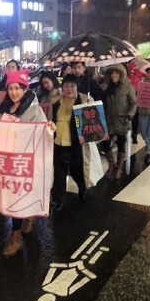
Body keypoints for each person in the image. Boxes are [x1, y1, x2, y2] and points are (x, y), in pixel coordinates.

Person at [0, 69, 56, 257]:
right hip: (9, 159)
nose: (14, 92)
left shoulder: (34, 110)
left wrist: (49, 129)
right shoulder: (7, 107)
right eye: (10, 88)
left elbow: (42, 133)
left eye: (17, 88)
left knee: (17, 198)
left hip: (25, 162)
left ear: (25, 89)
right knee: (13, 196)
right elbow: (1, 125)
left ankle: (15, 238)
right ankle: (26, 218)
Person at [50, 74, 89, 212]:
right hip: (58, 143)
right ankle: (60, 200)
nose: (69, 89)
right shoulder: (55, 103)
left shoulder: (84, 101)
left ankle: (82, 188)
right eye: (66, 85)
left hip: (75, 144)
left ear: (77, 87)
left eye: (72, 85)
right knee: (59, 174)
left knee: (76, 170)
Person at [102, 63, 137, 179]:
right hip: (109, 120)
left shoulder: (128, 87)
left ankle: (119, 168)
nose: (114, 75)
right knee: (105, 143)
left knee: (121, 145)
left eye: (117, 73)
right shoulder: (108, 88)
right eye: (112, 73)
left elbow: (133, 104)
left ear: (121, 74)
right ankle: (112, 164)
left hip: (122, 120)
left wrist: (129, 115)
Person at [126, 61, 146, 144]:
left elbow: (144, 73)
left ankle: (134, 135)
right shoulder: (126, 77)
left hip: (136, 100)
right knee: (126, 118)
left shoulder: (139, 75)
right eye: (132, 68)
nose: (134, 69)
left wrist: (137, 68)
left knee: (135, 119)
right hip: (127, 100)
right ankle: (125, 135)